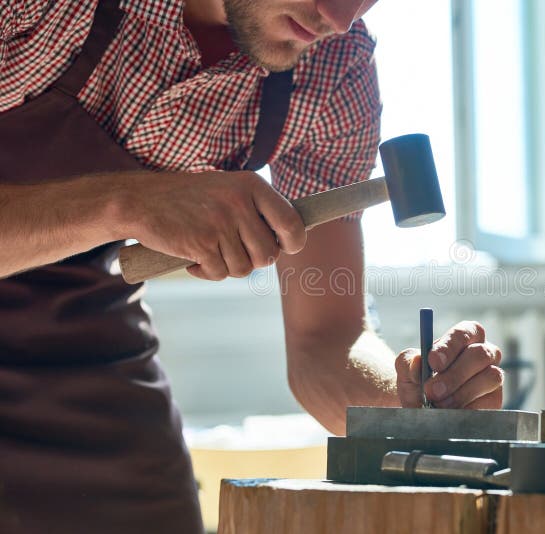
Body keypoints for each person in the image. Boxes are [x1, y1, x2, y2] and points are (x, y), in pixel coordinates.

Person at [0, 0, 504, 531]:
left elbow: (326, 342)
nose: (339, 17)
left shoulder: (335, 68)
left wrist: (411, 413)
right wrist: (125, 203)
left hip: (86, 353)